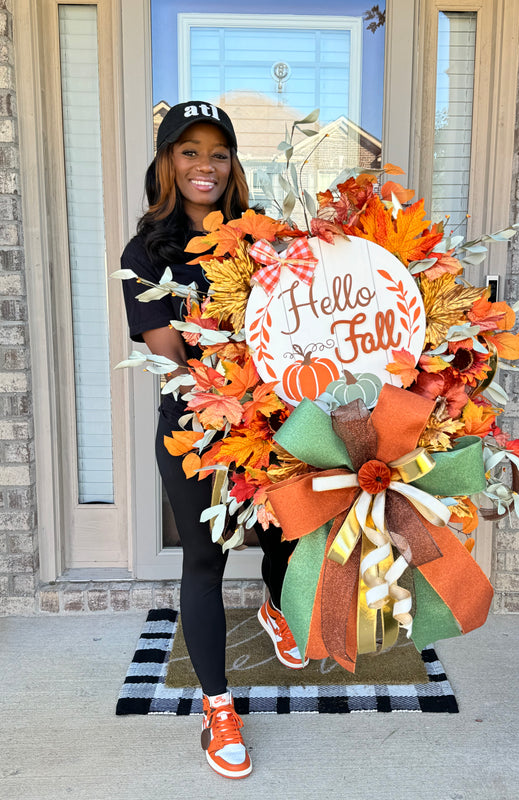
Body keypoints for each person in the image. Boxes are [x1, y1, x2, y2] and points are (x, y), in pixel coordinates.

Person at [120, 102, 306, 780]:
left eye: (218, 153)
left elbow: (302, 317)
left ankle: (278, 606)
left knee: (287, 532)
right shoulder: (145, 251)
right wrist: (243, 358)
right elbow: (171, 354)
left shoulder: (263, 239)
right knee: (204, 559)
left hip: (275, 417)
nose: (205, 165)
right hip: (200, 428)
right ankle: (219, 709)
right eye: (189, 151)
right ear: (169, 162)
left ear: (233, 166)